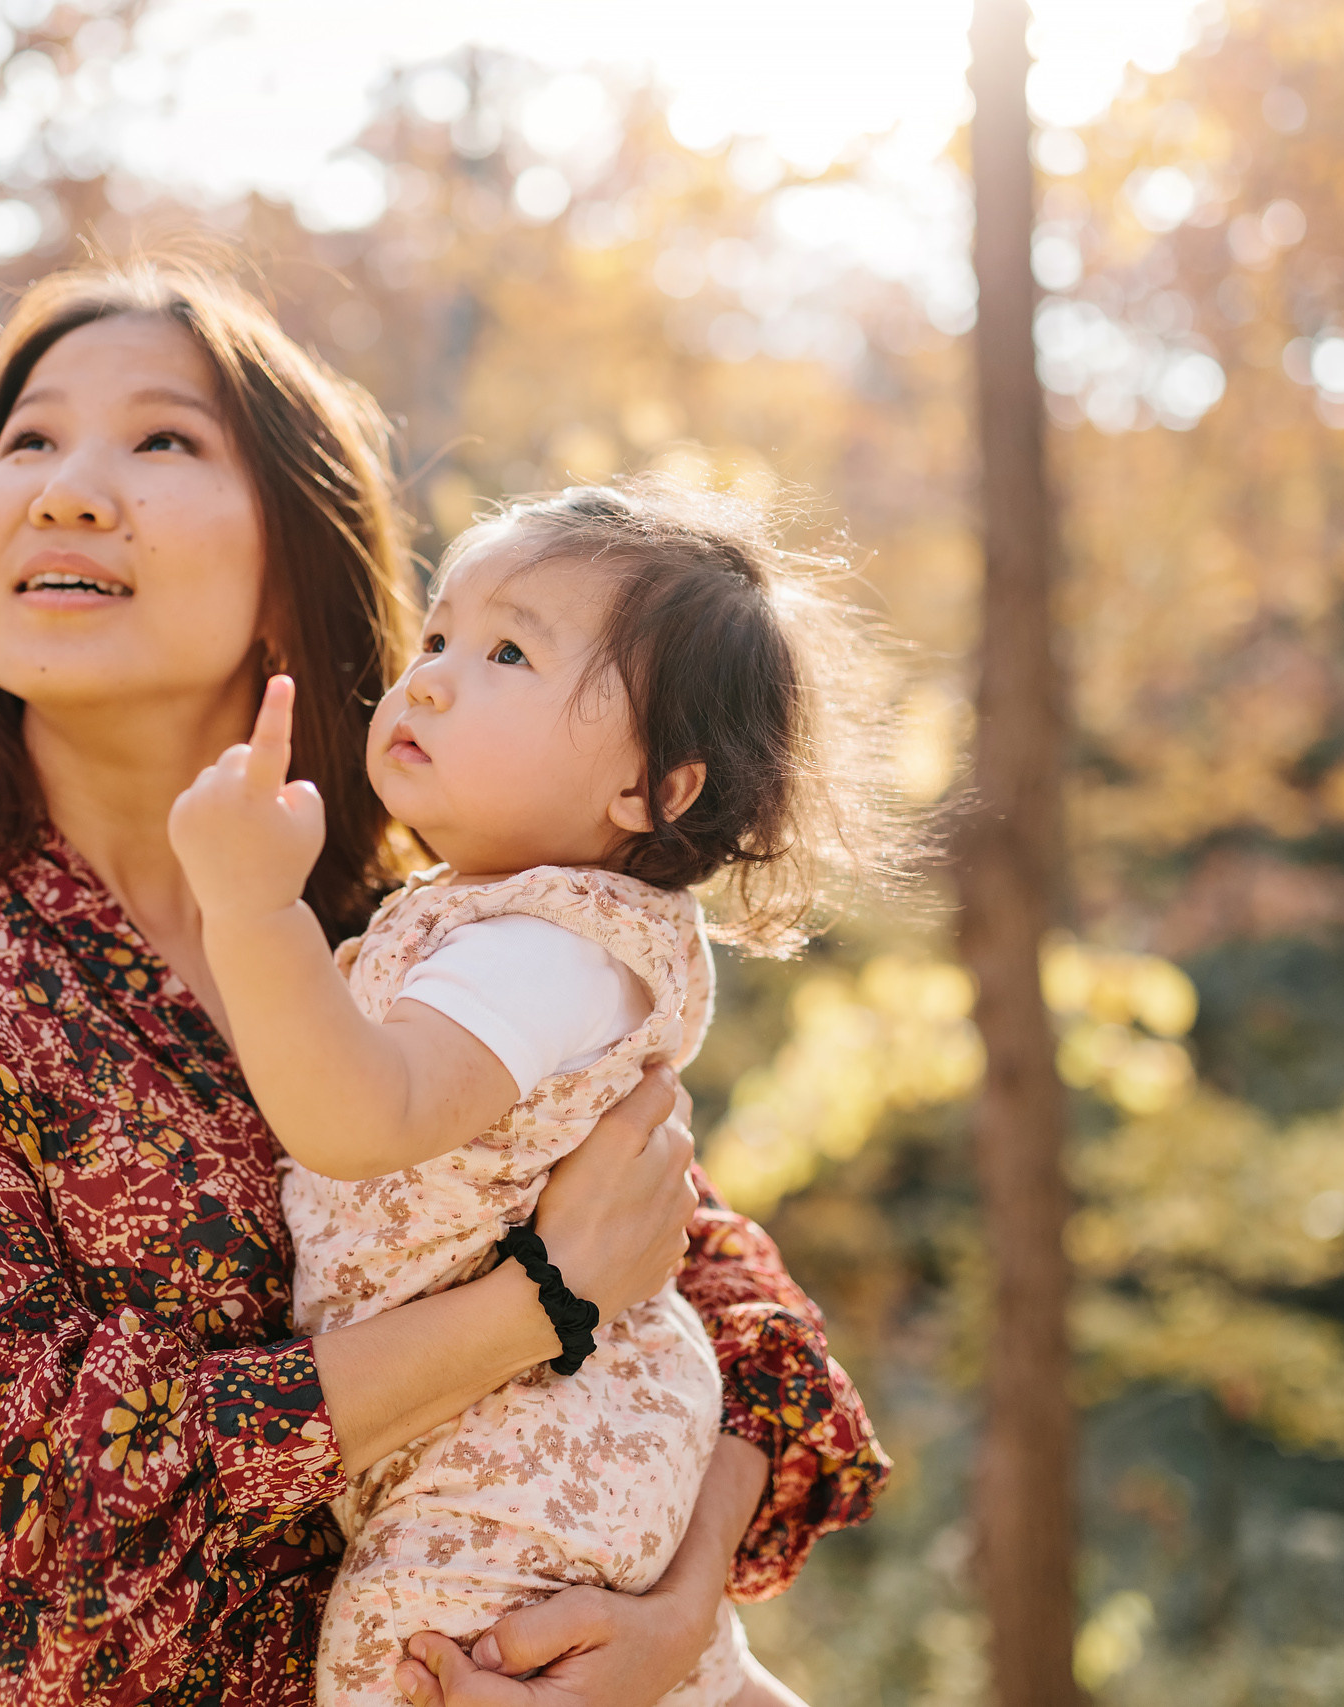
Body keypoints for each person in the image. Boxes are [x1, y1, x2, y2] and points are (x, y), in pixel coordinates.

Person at [0, 261, 887, 1707]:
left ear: (295, 560)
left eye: (162, 439)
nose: (68, 489)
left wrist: (675, 1613)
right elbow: (18, 1556)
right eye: (26, 440)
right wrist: (536, 1303)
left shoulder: (440, 925)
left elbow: (741, 1314)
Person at [166, 477, 903, 1707]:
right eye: (439, 636)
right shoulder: (495, 923)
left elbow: (363, 1118)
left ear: (654, 791)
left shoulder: (552, 947)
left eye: (508, 650)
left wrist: (250, 910)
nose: (435, 677)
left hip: (523, 1445)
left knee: (397, 1664)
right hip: (537, 1429)